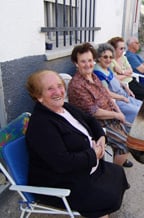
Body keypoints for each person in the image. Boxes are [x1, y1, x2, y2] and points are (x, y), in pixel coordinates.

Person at [25, 70, 129, 218]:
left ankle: (103, 209)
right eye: (50, 88)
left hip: (84, 168)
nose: (58, 92)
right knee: (104, 197)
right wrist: (94, 154)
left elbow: (91, 120)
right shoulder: (41, 125)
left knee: (117, 173)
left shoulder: (65, 108)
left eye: (59, 85)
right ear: (38, 96)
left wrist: (101, 136)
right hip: (60, 181)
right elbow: (62, 163)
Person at [68, 42, 133, 168]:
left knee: (132, 132)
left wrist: (118, 112)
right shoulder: (77, 85)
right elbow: (94, 112)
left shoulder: (93, 76)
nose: (88, 64)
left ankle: (120, 158)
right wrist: (117, 115)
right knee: (126, 142)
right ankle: (116, 171)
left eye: (90, 60)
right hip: (96, 124)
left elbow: (107, 95)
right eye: (83, 61)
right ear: (76, 63)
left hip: (110, 117)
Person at [94, 43, 142, 124]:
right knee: (139, 113)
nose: (108, 60)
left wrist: (126, 87)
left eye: (110, 57)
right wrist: (122, 98)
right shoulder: (98, 72)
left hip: (123, 95)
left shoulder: (106, 68)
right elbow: (107, 93)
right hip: (117, 102)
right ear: (99, 58)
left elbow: (115, 79)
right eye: (105, 57)